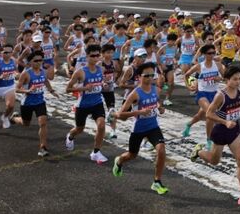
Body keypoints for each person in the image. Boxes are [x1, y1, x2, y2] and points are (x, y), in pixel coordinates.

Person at [190, 63, 240, 205]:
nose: (238, 81)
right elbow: (209, 114)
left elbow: (238, 105)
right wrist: (225, 122)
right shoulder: (220, 95)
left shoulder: (239, 92)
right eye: (234, 79)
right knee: (214, 161)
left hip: (234, 130)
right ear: (227, 79)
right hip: (220, 131)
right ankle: (199, 151)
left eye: (239, 79)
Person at [112, 61, 170, 195]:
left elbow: (156, 103)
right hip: (138, 129)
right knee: (132, 155)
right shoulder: (135, 94)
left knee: (161, 150)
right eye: (147, 75)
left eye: (152, 75)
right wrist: (139, 112)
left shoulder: (155, 89)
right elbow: (121, 115)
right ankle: (119, 160)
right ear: (139, 77)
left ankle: (157, 182)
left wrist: (160, 108)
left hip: (153, 127)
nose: (150, 78)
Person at [64, 43, 109, 164]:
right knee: (79, 129)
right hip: (83, 105)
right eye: (92, 56)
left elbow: (100, 82)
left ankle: (96, 152)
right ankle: (70, 136)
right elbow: (68, 89)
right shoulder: (80, 72)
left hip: (97, 103)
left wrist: (103, 84)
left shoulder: (101, 69)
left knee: (101, 126)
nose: (95, 58)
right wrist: (84, 88)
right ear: (87, 56)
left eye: (97, 55)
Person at [11, 50, 60, 156]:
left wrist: (52, 91)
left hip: (40, 101)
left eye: (40, 60)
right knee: (26, 123)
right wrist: (27, 91)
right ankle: (14, 118)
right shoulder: (26, 74)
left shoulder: (43, 71)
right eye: (36, 60)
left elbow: (45, 81)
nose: (39, 62)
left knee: (43, 123)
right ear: (30, 62)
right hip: (27, 103)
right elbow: (17, 89)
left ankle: (43, 147)